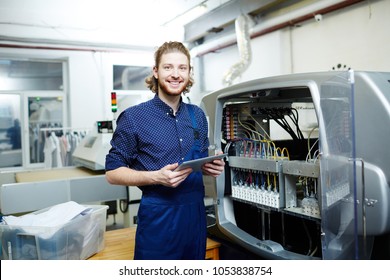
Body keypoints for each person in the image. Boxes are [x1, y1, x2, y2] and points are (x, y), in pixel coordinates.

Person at [105, 41, 225, 260]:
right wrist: (155, 177)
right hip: (158, 219)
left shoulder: (197, 115)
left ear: (189, 73)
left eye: (182, 68)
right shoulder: (134, 118)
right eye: (168, 67)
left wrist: (210, 166)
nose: (176, 74)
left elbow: (197, 160)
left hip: (194, 218)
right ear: (156, 72)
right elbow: (112, 173)